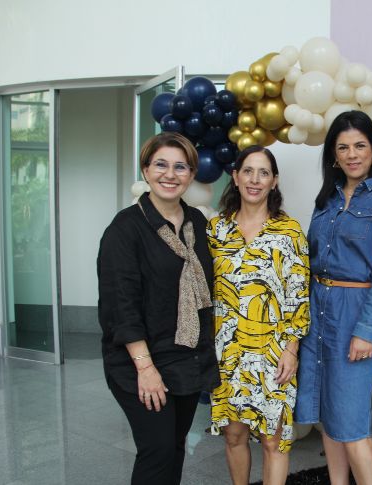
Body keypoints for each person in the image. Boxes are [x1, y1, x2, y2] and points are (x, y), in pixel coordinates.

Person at [97, 131, 219, 485]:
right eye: (161, 165)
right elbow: (121, 305)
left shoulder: (197, 221)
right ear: (146, 170)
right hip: (140, 360)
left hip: (186, 355)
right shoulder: (125, 228)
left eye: (180, 166)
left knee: (176, 446)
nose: (170, 174)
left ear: (191, 174)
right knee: (157, 449)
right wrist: (146, 369)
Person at [295, 110, 372, 485]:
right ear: (333, 154)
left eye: (360, 145)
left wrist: (368, 330)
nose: (352, 154)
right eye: (342, 147)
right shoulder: (326, 198)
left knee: (352, 420)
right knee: (328, 414)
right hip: (318, 311)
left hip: (354, 314)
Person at [207, 145, 310, 485]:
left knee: (273, 440)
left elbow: (299, 298)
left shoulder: (289, 232)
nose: (255, 179)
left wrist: (291, 350)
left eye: (263, 172)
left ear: (274, 181)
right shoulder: (215, 231)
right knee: (234, 436)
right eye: (248, 171)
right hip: (228, 353)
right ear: (235, 177)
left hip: (274, 354)